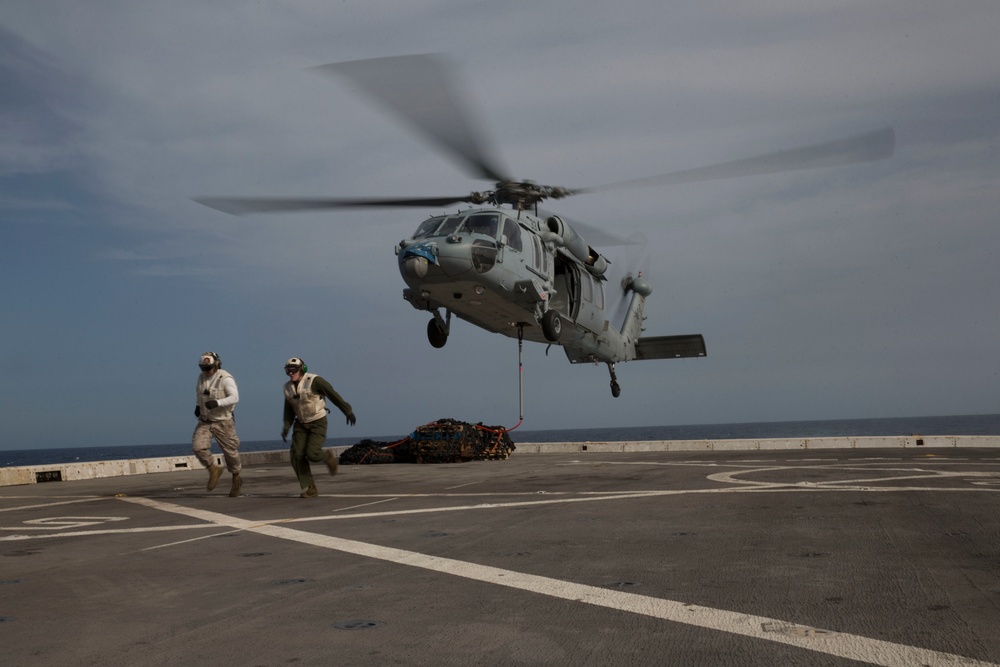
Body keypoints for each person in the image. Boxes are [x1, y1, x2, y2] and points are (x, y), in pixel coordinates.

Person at [281, 357, 356, 498]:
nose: (291, 373)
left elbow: (333, 395)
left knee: (313, 453)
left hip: (318, 422)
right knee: (296, 455)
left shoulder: (315, 381)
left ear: (302, 369)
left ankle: (327, 457)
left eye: (293, 370)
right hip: (301, 424)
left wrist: (347, 411)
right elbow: (289, 410)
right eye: (288, 371)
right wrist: (286, 428)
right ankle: (311, 488)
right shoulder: (287, 388)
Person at [192, 351, 242, 497]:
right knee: (198, 447)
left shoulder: (225, 378)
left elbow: (235, 397)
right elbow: (200, 394)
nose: (206, 371)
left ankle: (236, 477)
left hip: (223, 421)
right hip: (206, 420)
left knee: (230, 452)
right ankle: (213, 469)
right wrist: (197, 406)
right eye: (203, 368)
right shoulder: (201, 377)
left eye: (208, 368)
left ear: (217, 365)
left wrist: (218, 403)